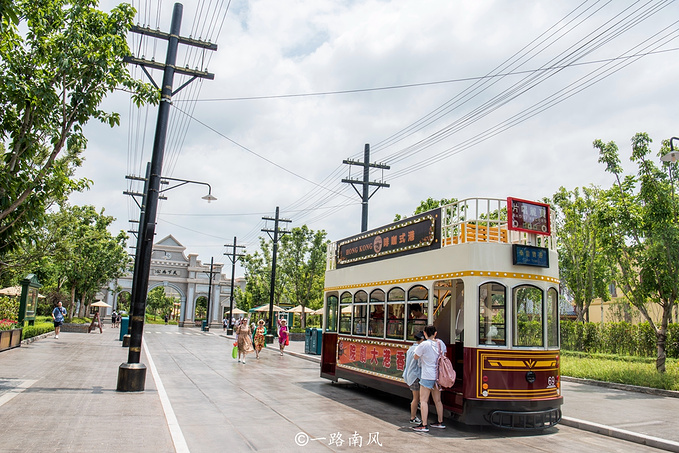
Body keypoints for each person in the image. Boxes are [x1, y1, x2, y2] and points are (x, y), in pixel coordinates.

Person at [411, 324, 446, 432]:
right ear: (435, 333)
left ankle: (424, 424)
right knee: (438, 400)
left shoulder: (424, 345)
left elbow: (415, 356)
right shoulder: (441, 343)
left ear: (425, 334)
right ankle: (440, 422)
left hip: (427, 375)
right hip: (438, 376)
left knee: (424, 400)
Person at [403, 330, 425, 424]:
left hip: (410, 374)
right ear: (422, 339)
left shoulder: (411, 348)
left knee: (416, 397)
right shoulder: (418, 350)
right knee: (416, 398)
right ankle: (413, 417)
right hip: (415, 375)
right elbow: (419, 364)